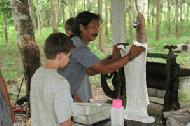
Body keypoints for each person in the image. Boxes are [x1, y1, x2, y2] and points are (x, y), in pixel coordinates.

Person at [58, 11, 145, 101]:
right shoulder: (77, 46)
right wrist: (130, 56)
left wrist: (114, 58)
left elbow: (91, 71)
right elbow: (103, 69)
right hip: (63, 97)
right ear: (82, 27)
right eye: (93, 27)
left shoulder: (76, 43)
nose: (96, 31)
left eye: (97, 27)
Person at [30, 33, 74, 126]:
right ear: (60, 55)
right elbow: (65, 122)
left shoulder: (37, 74)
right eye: (69, 56)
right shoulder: (60, 82)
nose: (69, 60)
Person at [64, 17, 92, 102]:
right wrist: (75, 96)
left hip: (84, 92)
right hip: (76, 96)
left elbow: (89, 69)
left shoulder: (81, 46)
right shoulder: (68, 49)